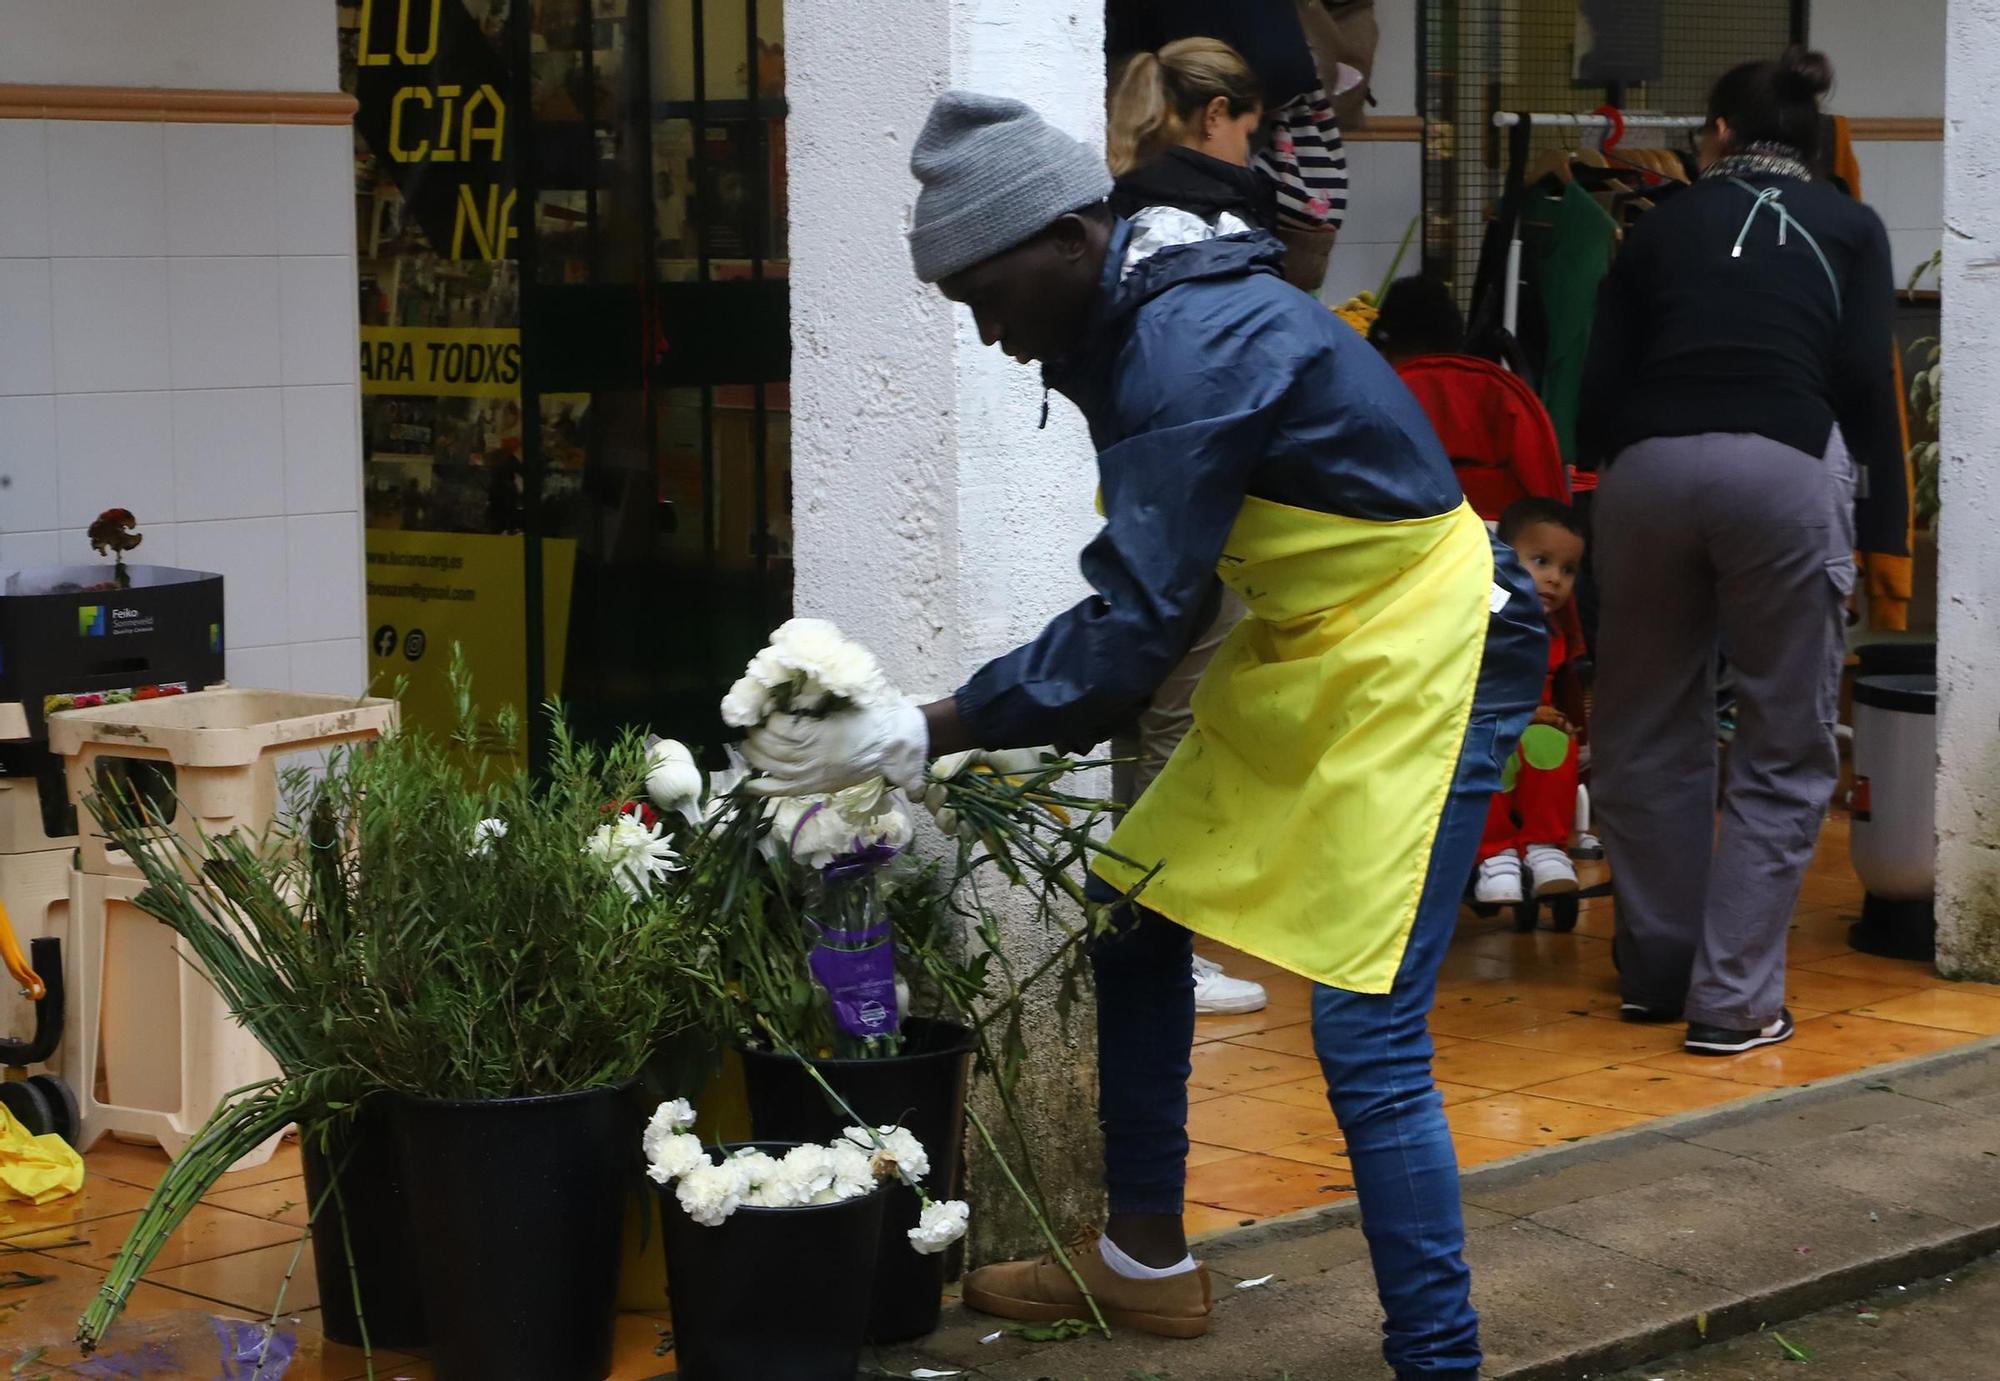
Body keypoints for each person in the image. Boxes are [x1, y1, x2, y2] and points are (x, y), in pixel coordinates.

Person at [747, 91, 1545, 1378]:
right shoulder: (1131, 317)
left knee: (1363, 1027)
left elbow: (1131, 630)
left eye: (988, 296)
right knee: (1137, 915)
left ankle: (1437, 1361)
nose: (991, 334)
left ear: (1070, 235)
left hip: (1437, 644)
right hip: (1315, 635)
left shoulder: (1189, 342)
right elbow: (1157, 605)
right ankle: (1143, 1256)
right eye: (962, 307)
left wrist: (923, 728)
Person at [1578, 48, 1901, 1055]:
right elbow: (1859, 380)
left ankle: (1657, 972)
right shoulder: (1849, 225)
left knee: (1641, 729)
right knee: (1780, 740)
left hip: (1646, 476)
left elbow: (1596, 388)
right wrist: (1884, 536)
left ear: (1715, 136)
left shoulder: (1657, 221)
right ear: (1815, 141)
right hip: (1781, 469)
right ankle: (1733, 1000)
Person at [1106, 36, 1273, 1016]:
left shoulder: (1119, 198)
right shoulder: (1212, 204)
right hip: (1200, 491)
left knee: (1149, 716)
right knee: (1180, 723)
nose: (1254, 153)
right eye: (1250, 129)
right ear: (1214, 114)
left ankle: (1144, 930)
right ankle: (1161, 942)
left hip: (1131, 484)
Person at [1370, 276, 1571, 524]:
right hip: (1504, 552)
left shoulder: (1382, 400)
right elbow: (1550, 503)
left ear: (1386, 348)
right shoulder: (1502, 396)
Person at [1475, 499, 1588, 904]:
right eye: (1541, 561)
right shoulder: (1485, 612)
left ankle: (1545, 848)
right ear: (1502, 557)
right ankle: (1495, 854)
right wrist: (1524, 713)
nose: (1555, 579)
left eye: (1567, 569)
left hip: (1531, 727)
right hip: (1480, 723)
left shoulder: (1552, 630)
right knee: (1480, 756)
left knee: (1556, 745)